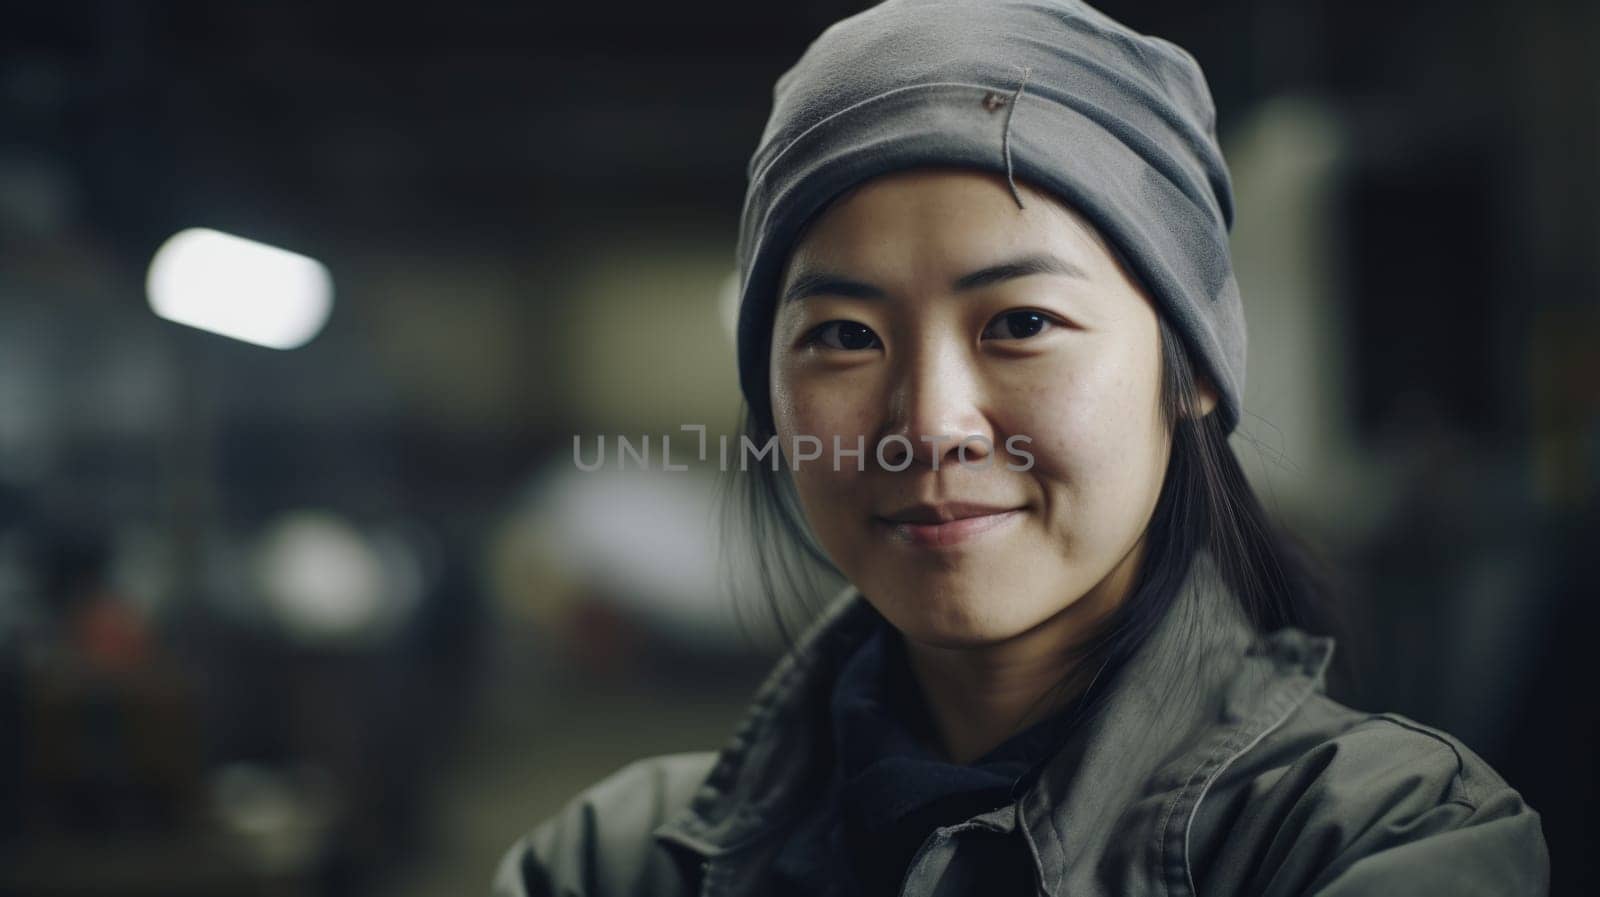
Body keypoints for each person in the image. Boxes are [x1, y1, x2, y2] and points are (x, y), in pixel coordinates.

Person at [491, 1, 1551, 894]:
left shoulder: (1380, 840)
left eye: (1021, 323)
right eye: (844, 338)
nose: (929, 425)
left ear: (1191, 371)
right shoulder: (618, 862)